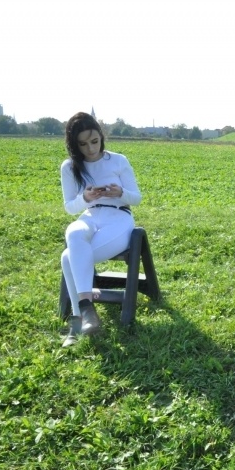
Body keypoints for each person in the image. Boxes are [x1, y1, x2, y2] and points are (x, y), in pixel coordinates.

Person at [60, 112, 142, 347]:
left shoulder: (118, 160)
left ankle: (78, 320)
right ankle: (87, 310)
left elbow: (136, 198)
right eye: (83, 144)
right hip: (90, 215)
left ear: (101, 136)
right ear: (74, 144)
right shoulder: (69, 166)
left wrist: (120, 193)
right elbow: (69, 206)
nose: (91, 149)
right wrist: (85, 198)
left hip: (119, 218)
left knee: (68, 258)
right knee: (74, 232)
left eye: (94, 141)